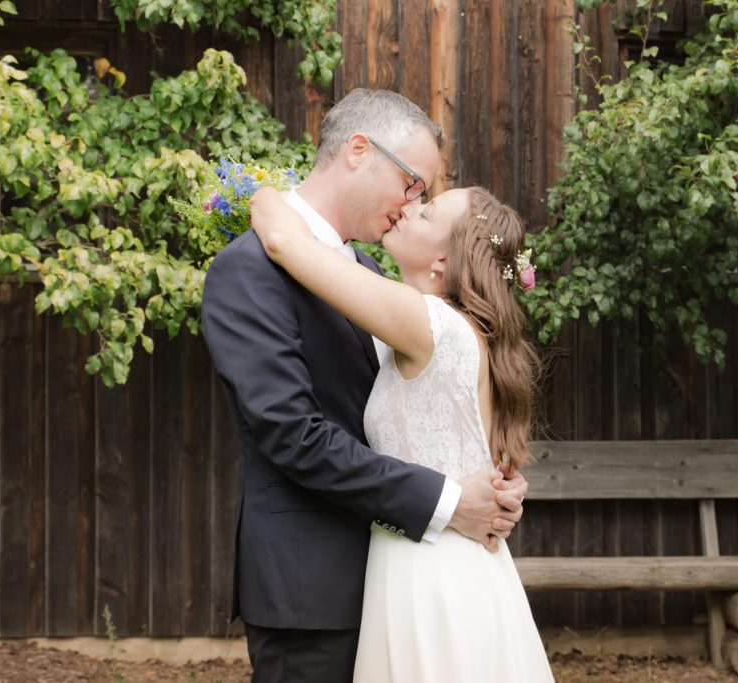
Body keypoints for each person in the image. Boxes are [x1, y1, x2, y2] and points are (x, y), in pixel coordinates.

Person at [200, 88, 528, 683]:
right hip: (313, 591)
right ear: (358, 150)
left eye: (423, 198)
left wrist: (482, 472)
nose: (410, 206)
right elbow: (294, 435)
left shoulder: (372, 275)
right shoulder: (245, 272)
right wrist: (453, 498)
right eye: (411, 184)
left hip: (402, 578)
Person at [249, 183, 553, 682]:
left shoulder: (430, 323)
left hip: (432, 573)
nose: (410, 209)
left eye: (427, 212)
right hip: (449, 558)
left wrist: (258, 192)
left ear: (441, 260)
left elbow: (284, 243)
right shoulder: (455, 330)